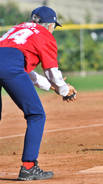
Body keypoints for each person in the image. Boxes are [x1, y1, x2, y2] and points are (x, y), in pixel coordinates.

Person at [0, 6, 77, 180]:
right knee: (36, 115)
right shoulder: (44, 35)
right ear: (49, 25)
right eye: (54, 26)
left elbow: (25, 72)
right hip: (10, 68)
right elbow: (51, 71)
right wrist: (65, 90)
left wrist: (55, 87)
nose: (53, 30)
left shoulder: (17, 29)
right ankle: (29, 167)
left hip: (8, 64)